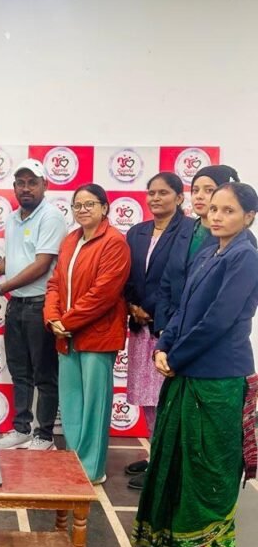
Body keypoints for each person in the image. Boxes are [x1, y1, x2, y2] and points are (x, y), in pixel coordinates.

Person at [132, 183, 258, 547]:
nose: (216, 216)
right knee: (180, 456)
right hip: (187, 369)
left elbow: (218, 321)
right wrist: (163, 345)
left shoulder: (245, 257)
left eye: (228, 210)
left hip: (218, 376)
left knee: (209, 463)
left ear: (249, 217)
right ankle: (174, 534)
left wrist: (176, 357)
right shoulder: (209, 251)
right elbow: (183, 308)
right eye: (214, 209)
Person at [43, 184, 130, 483]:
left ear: (104, 207)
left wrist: (65, 322)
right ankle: (73, 462)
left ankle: (92, 470)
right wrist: (52, 318)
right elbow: (54, 283)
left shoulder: (115, 242)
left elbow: (103, 295)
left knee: (95, 405)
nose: (82, 210)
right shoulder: (71, 240)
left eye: (89, 204)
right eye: (77, 205)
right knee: (71, 402)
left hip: (97, 337)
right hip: (66, 336)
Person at [0, 159, 66, 450]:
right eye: (21, 183)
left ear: (45, 185)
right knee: (20, 372)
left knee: (45, 374)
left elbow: (42, 264)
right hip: (16, 305)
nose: (26, 188)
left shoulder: (51, 217)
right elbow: (19, 256)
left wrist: (0, 288)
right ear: (14, 186)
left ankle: (44, 435)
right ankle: (21, 429)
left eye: (32, 182)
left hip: (40, 305)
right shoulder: (13, 218)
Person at [124, 172, 188, 489]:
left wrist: (155, 312)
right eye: (151, 193)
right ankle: (155, 456)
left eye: (163, 192)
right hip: (139, 326)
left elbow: (181, 281)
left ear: (179, 197)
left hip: (168, 329)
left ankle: (166, 466)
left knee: (165, 398)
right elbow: (126, 275)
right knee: (147, 398)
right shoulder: (136, 232)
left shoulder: (190, 232)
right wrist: (131, 306)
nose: (156, 198)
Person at [155, 164, 243, 334]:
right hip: (172, 329)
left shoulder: (238, 239)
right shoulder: (183, 229)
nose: (199, 196)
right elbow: (166, 282)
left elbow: (228, 302)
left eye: (209, 190)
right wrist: (163, 327)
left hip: (208, 333)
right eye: (195, 190)